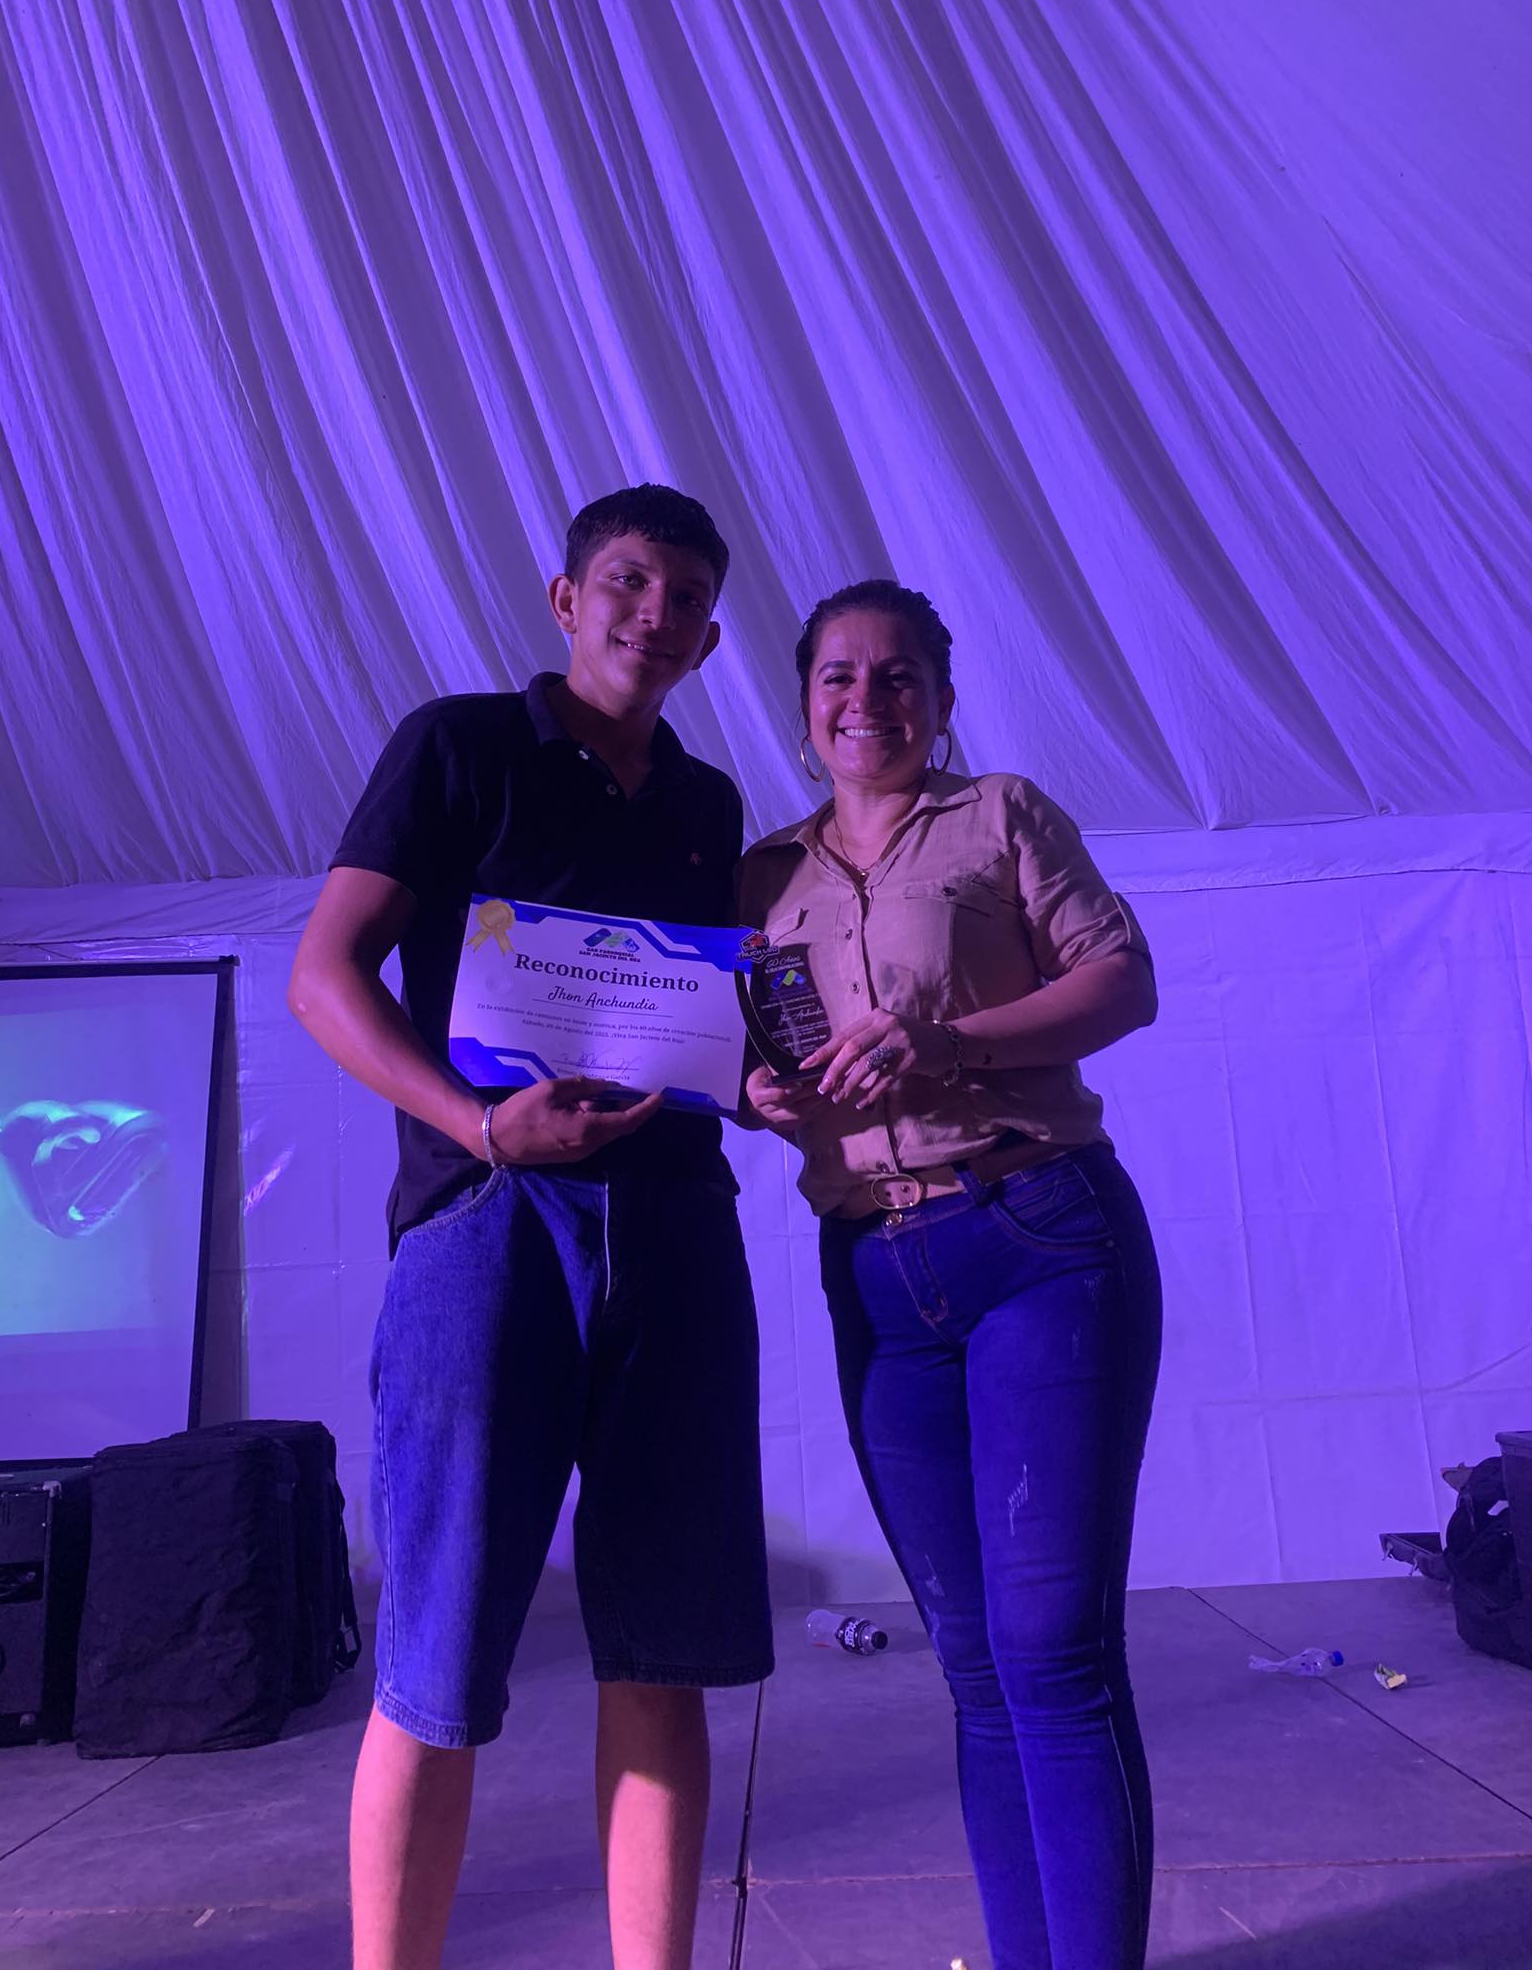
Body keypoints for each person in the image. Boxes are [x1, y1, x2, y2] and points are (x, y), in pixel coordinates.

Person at [288, 485, 773, 1970]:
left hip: (676, 1228)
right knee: (435, 1656)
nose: (655, 613)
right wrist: (484, 1126)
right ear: (567, 600)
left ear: (709, 638)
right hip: (487, 1217)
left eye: (687, 597)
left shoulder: (708, 807)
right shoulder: (459, 746)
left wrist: (759, 1080)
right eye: (627, 581)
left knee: (666, 1653)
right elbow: (324, 975)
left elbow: (707, 1019)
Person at [737, 579, 1162, 1970]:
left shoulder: (1001, 817)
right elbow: (746, 1063)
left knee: (1052, 1654)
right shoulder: (758, 881)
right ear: (804, 706)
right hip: (872, 1270)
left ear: (941, 696)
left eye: (899, 673)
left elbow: (1123, 982)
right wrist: (752, 1094)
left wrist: (953, 1043)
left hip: (1036, 1233)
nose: (868, 698)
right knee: (975, 1670)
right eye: (840, 677)